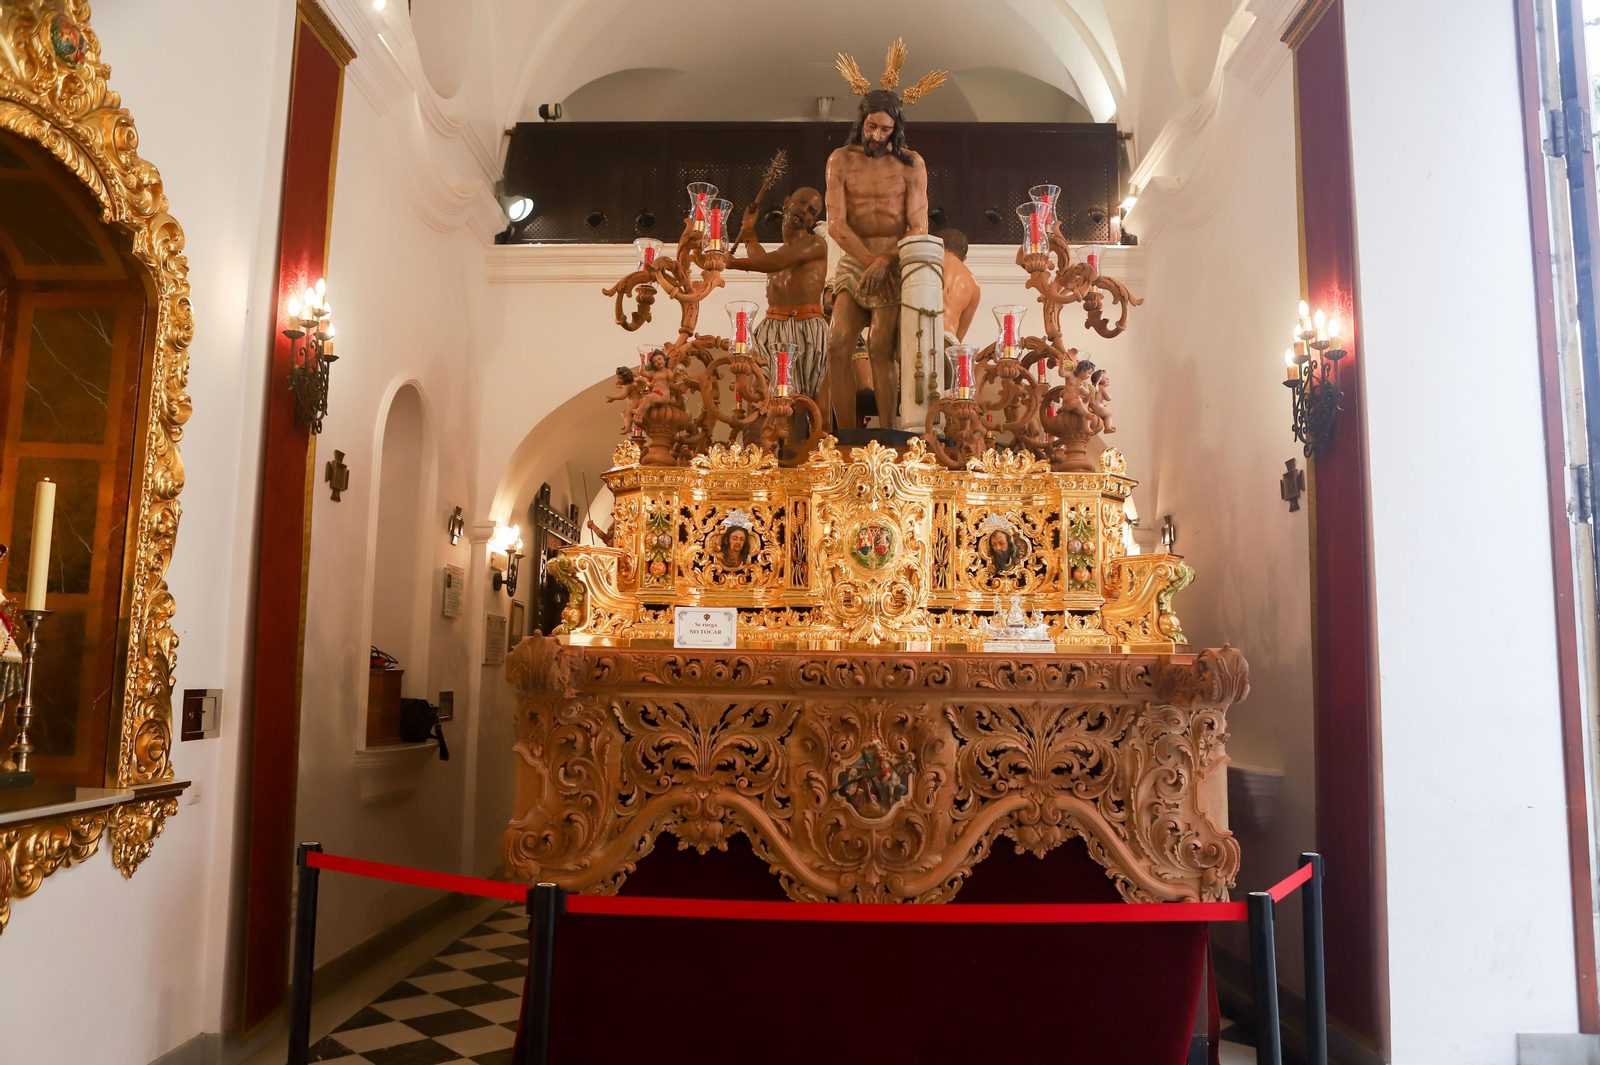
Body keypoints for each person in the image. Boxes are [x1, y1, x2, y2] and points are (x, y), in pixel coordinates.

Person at [823, 42, 946, 430]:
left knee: (880, 347)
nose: (877, 135)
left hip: (893, 266)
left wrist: (886, 259)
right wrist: (868, 260)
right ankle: (842, 436)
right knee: (838, 342)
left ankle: (887, 434)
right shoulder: (840, 160)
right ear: (861, 121)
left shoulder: (912, 165)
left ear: (897, 128)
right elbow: (837, 223)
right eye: (871, 126)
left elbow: (918, 225)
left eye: (885, 129)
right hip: (855, 262)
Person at [728, 188, 829, 437]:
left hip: (807, 327)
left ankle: (817, 458)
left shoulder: (816, 244)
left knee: (809, 403)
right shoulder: (776, 254)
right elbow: (764, 258)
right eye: (801, 203)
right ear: (786, 202)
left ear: (813, 221)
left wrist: (735, 263)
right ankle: (761, 459)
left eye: (811, 211)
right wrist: (748, 230)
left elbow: (774, 262)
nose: (804, 211)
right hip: (771, 329)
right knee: (759, 395)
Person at [941, 229, 980, 343]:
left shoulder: (928, 263)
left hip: (920, 335)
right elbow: (959, 336)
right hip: (948, 342)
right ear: (964, 258)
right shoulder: (974, 286)